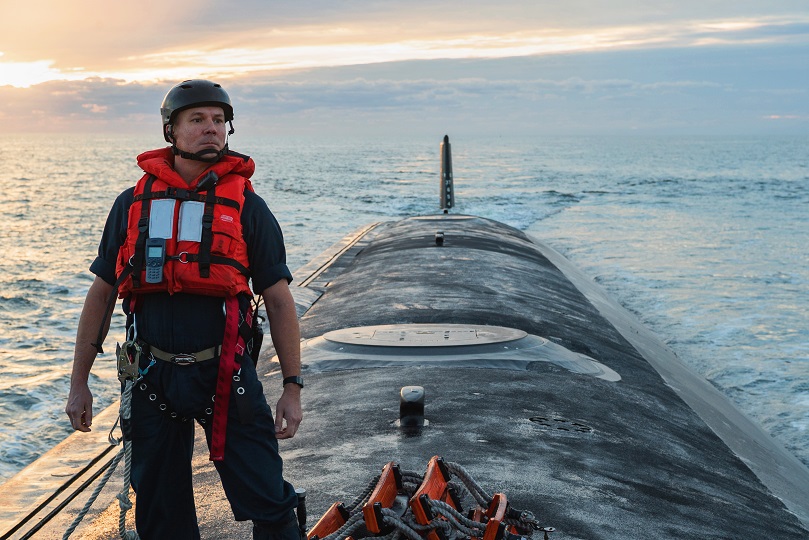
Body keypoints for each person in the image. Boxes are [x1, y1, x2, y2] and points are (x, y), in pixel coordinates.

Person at [65, 79, 304, 540]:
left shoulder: (249, 209)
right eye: (197, 119)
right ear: (170, 130)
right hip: (150, 377)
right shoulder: (131, 205)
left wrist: (292, 388)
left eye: (219, 120)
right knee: (160, 515)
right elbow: (101, 293)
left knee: (270, 503)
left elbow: (278, 299)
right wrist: (79, 383)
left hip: (225, 376)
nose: (210, 129)